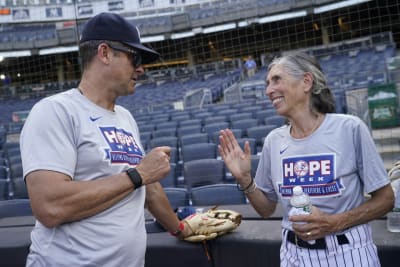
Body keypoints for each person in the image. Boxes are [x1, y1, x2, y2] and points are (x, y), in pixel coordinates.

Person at [20, 12, 191, 267]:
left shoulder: (125, 117)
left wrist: (180, 229)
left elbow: (148, 190)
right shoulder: (55, 111)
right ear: (105, 53)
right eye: (135, 58)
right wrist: (138, 175)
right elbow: (49, 206)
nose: (141, 69)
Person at [219, 52, 394, 266]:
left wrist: (333, 223)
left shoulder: (350, 128)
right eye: (267, 83)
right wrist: (244, 178)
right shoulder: (274, 141)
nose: (268, 90)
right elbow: (266, 210)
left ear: (306, 82)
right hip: (293, 255)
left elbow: (386, 200)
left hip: (347, 253)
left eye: (276, 80)